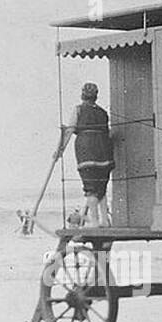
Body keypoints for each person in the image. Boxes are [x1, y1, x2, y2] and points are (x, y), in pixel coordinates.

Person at [55, 82, 114, 227]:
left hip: (86, 150)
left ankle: (94, 222)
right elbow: (108, 133)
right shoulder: (102, 113)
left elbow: (69, 130)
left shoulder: (79, 110)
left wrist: (60, 149)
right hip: (104, 151)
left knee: (90, 188)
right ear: (96, 96)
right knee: (101, 187)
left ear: (83, 95)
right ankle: (104, 221)